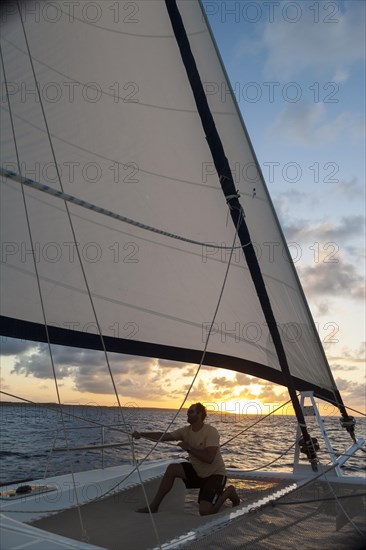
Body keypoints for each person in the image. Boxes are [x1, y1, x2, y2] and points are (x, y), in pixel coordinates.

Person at [132, 402, 240, 516]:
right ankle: (154, 506)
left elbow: (210, 458)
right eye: (188, 411)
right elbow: (164, 436)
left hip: (215, 475)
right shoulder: (185, 431)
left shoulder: (211, 431)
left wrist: (189, 448)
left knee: (205, 512)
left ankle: (229, 492)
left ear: (200, 414)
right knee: (172, 469)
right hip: (198, 473)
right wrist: (142, 434)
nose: (187, 414)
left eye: (191, 412)